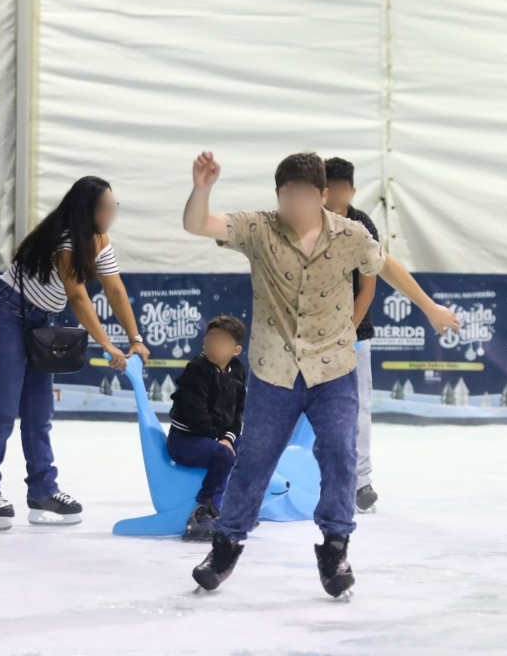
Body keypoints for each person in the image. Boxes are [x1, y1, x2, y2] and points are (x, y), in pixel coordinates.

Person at [182, 151, 460, 597]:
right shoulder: (260, 228)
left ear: (323, 195)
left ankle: (334, 548)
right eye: (288, 196)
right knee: (254, 460)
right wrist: (202, 188)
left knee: (339, 455)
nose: (296, 206)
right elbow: (198, 224)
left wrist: (429, 308)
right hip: (276, 370)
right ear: (279, 195)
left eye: (305, 197)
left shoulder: (350, 234)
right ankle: (226, 545)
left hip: (333, 368)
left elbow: (385, 264)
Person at [0, 176, 151, 530]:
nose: (111, 213)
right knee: (3, 409)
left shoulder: (100, 241)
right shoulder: (66, 240)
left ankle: (43, 492)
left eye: (114, 207)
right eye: (106, 207)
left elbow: (115, 290)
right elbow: (79, 297)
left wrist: (136, 337)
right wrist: (107, 344)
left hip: (39, 322)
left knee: (40, 411)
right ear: (87, 210)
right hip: (5, 315)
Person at [323, 157, 380, 513]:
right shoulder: (309, 223)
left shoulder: (363, 225)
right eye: (330, 189)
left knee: (359, 408)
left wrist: (348, 332)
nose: (335, 196)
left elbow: (368, 288)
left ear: (352, 191)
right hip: (311, 335)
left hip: (355, 334)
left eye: (342, 190)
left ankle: (361, 482)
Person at [166, 315, 247, 542]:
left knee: (250, 448)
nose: (213, 345)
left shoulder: (237, 370)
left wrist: (228, 438)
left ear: (236, 350)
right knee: (223, 455)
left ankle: (236, 504)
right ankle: (206, 508)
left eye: (221, 341)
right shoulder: (197, 370)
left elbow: (239, 411)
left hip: (217, 438)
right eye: (210, 339)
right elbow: (195, 414)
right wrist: (218, 440)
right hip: (186, 440)